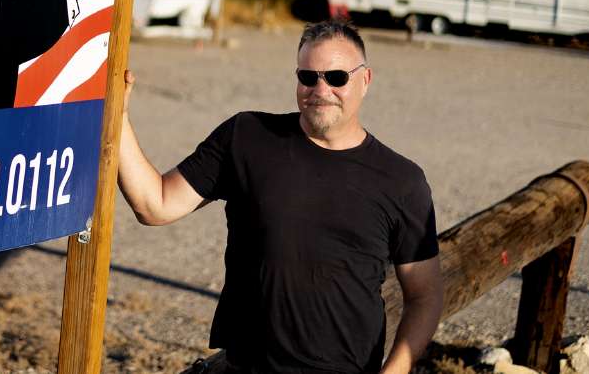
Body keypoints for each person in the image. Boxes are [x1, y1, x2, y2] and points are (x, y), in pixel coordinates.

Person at [118, 19, 443, 374]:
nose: (320, 89)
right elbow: (156, 204)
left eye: (336, 77)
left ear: (365, 80)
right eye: (308, 77)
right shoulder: (246, 137)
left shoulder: (401, 181)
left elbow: (424, 295)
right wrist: (116, 118)